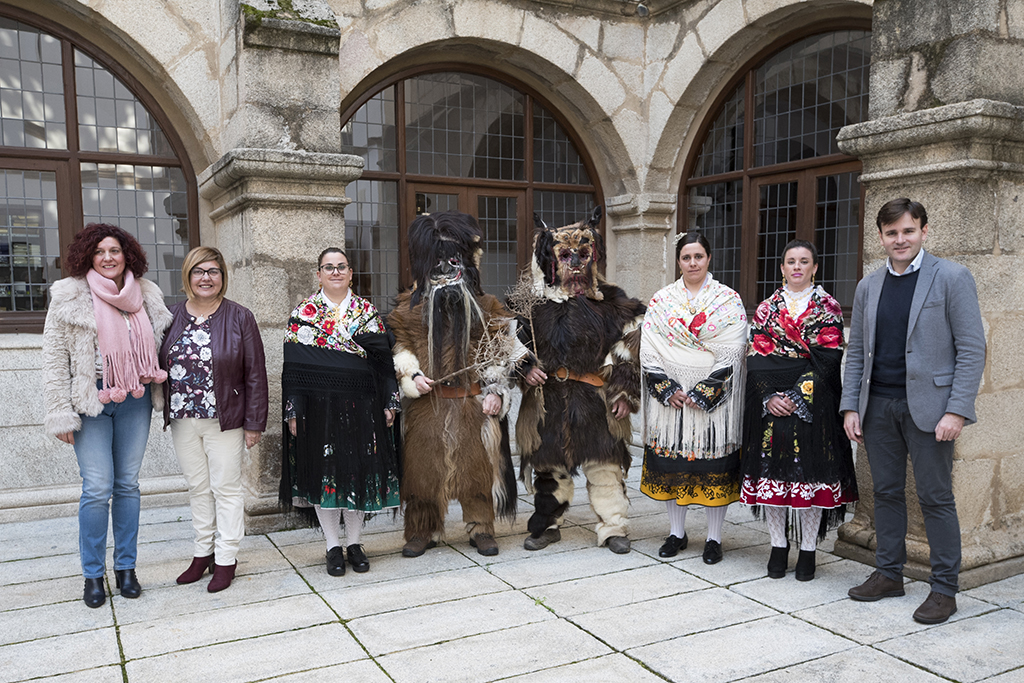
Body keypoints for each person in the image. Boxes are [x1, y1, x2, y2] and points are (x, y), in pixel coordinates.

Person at [842, 198, 986, 624]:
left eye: (908, 231)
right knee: (884, 493)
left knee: (935, 497)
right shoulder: (869, 286)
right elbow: (856, 355)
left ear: (923, 230)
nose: (900, 239)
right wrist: (852, 406)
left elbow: (972, 348)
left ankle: (944, 589)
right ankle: (888, 573)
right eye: (891, 233)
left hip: (931, 409)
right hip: (879, 407)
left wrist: (956, 410)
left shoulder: (952, 277)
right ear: (881, 237)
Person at [42, 223, 171, 608]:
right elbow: (53, 358)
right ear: (88, 256)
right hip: (91, 400)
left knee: (128, 484)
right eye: (100, 252)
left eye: (114, 250)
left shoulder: (146, 294)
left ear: (126, 254)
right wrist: (59, 411)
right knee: (97, 488)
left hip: (136, 398)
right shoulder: (68, 296)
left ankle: (126, 569)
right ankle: (93, 575)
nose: (108, 258)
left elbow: (165, 345)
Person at [387, 211, 527, 558]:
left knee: (478, 475)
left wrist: (496, 391)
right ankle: (422, 529)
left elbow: (500, 353)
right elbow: (400, 348)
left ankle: (481, 527)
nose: (446, 270)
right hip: (426, 409)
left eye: (453, 260)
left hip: (472, 405)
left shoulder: (488, 307)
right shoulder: (406, 311)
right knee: (421, 476)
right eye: (437, 261)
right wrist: (411, 375)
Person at [513, 208, 646, 554]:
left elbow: (629, 348)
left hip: (595, 400)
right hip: (548, 400)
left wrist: (624, 393)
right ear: (552, 259)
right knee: (548, 467)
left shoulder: (613, 303)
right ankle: (547, 524)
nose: (575, 262)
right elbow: (511, 346)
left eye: (582, 255)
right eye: (566, 255)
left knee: (604, 465)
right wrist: (525, 366)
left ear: (593, 255)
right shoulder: (533, 304)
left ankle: (612, 527)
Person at [740, 239, 858, 581]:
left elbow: (828, 358)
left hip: (814, 404)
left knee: (811, 477)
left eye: (804, 261)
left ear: (814, 268)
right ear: (781, 268)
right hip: (771, 407)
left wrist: (796, 394)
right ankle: (778, 545)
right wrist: (769, 396)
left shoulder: (829, 307)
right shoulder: (766, 309)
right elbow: (757, 356)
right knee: (773, 476)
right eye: (790, 261)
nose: (796, 267)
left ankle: (808, 550)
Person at [281, 247, 401, 576]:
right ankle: (333, 545)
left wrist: (391, 401)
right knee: (325, 474)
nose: (335, 272)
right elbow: (293, 368)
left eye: (341, 267)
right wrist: (293, 410)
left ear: (350, 274)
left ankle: (356, 543)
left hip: (364, 407)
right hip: (319, 409)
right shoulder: (303, 314)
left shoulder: (367, 313)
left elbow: (384, 364)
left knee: (358, 472)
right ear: (318, 275)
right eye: (328, 267)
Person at [160, 246, 268, 593]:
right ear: (187, 277)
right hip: (182, 418)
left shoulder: (240, 317)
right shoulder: (170, 315)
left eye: (212, 271)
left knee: (226, 489)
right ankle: (202, 552)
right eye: (198, 271)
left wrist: (254, 422)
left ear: (222, 277)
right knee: (198, 488)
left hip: (226, 419)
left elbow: (255, 373)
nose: (205, 278)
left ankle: (226, 558)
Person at [639, 232, 747, 564]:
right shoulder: (661, 300)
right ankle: (676, 533)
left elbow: (735, 348)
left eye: (698, 256)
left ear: (709, 259)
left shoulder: (728, 299)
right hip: (672, 399)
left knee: (713, 465)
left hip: (714, 399)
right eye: (686, 257)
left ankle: (714, 538)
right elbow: (650, 347)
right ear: (678, 261)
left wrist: (704, 391)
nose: (692, 263)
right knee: (672, 465)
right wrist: (667, 388)